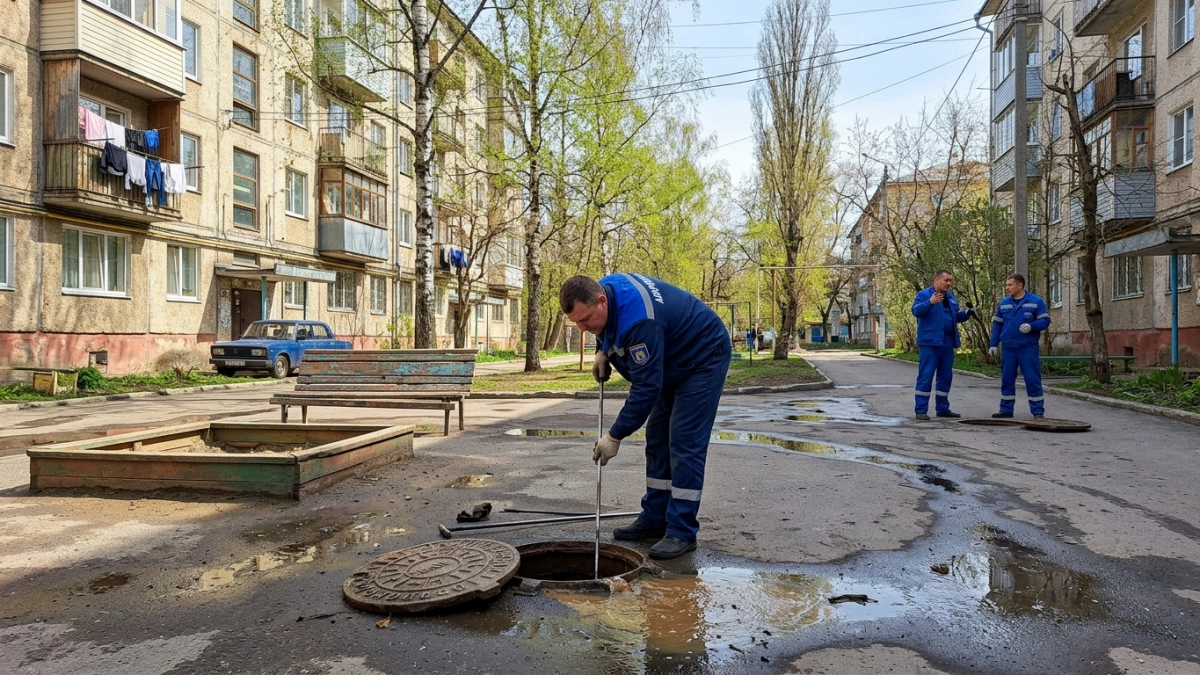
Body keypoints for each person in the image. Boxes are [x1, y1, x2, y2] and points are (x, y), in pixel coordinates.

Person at [560, 274, 731, 560]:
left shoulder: (640, 323)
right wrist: (602, 350)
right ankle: (655, 517)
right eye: (576, 322)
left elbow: (646, 388)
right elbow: (609, 328)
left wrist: (614, 435)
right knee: (657, 438)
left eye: (586, 320)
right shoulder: (603, 290)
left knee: (684, 441)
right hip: (669, 356)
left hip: (703, 356)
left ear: (601, 301)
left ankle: (682, 531)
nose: (582, 328)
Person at [910, 269, 973, 420]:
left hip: (947, 342)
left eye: (950, 281)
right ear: (937, 280)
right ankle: (921, 410)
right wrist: (930, 302)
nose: (949, 283)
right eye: (946, 280)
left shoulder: (949, 296)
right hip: (930, 342)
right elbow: (916, 311)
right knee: (926, 375)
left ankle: (943, 408)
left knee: (945, 376)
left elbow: (954, 317)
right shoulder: (924, 295)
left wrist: (967, 313)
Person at [989, 273, 1051, 419]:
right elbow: (997, 325)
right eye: (1006, 285)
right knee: (1007, 379)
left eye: (1010, 285)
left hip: (1028, 348)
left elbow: (1045, 321)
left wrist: (1031, 326)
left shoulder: (1036, 301)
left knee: (1032, 379)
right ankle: (1006, 409)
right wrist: (993, 344)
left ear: (1020, 285)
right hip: (1008, 348)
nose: (1007, 288)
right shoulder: (1004, 303)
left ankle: (1037, 411)